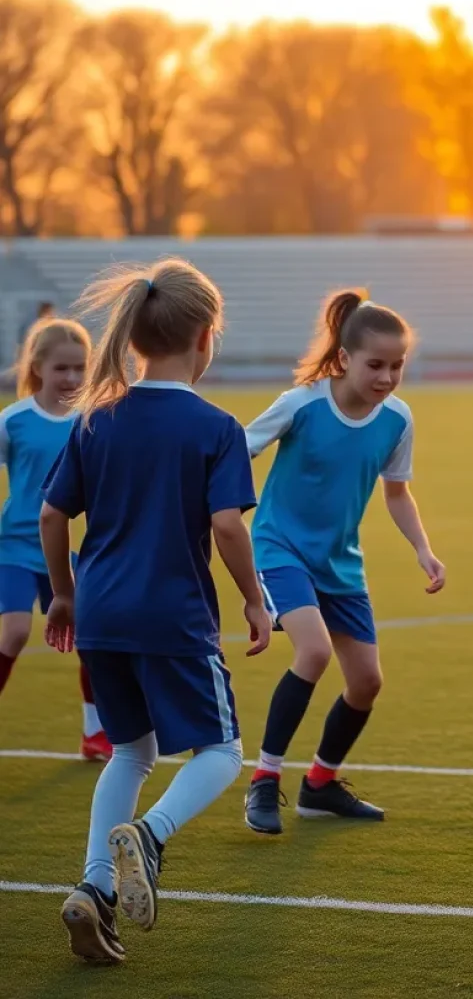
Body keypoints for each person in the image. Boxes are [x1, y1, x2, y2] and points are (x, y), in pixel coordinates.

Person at [41, 259, 273, 964]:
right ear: (206, 338)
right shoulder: (215, 426)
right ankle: (151, 833)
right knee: (224, 751)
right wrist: (256, 600)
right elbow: (229, 526)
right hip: (172, 617)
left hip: (103, 616)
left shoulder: (97, 419)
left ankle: (93, 890)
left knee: (132, 751)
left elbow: (52, 515)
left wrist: (64, 593)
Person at [243, 289, 445, 836]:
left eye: (397, 365)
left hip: (341, 563)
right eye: (375, 364)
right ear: (345, 358)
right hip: (280, 548)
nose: (386, 377)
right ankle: (264, 779)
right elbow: (239, 451)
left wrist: (423, 550)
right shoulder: (302, 403)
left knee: (367, 682)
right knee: (313, 652)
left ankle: (320, 786)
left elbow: (397, 493)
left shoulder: (397, 420)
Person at [0, 317, 111, 759]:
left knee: (91, 640)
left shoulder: (91, 422)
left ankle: (94, 732)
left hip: (67, 550)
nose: (71, 378)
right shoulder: (13, 421)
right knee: (14, 633)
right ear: (38, 367)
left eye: (80, 368)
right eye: (61, 368)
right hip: (15, 547)